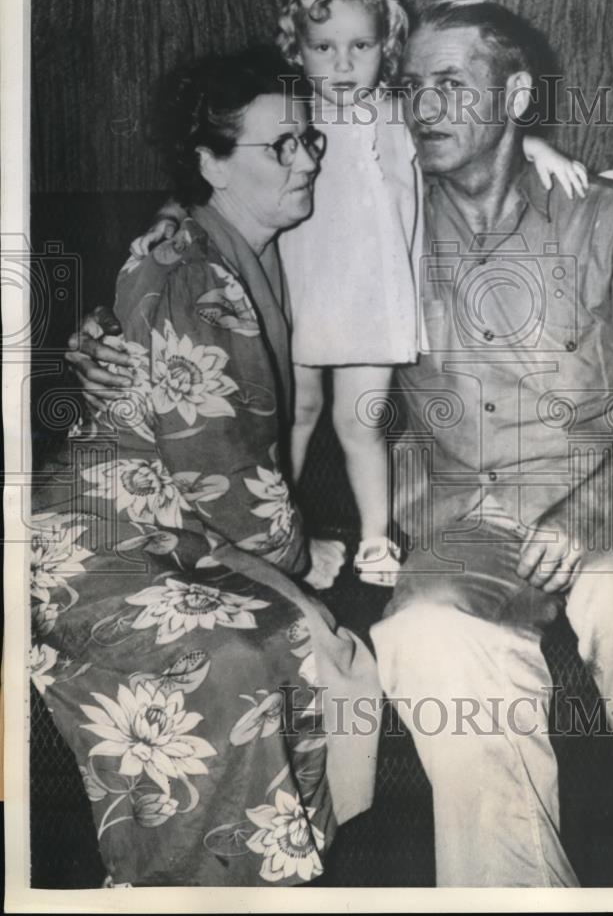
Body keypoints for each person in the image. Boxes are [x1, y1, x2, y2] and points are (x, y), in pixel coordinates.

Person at [365, 0, 613, 887]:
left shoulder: (605, 217)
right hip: (470, 515)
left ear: (514, 97)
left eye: (449, 85)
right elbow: (250, 177)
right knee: (426, 632)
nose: (422, 108)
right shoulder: (377, 229)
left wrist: (585, 509)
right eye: (410, 88)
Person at [30, 46, 380, 887]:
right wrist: (299, 569)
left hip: (179, 535)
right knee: (246, 651)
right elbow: (219, 473)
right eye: (280, 147)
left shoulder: (250, 244)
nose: (306, 162)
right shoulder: (191, 269)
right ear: (208, 162)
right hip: (100, 545)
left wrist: (301, 569)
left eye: (308, 140)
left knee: (294, 639)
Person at [128, 0, 588, 586]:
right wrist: (167, 212)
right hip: (301, 291)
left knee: (363, 418)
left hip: (374, 294)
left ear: (386, 45)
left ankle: (375, 538)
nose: (342, 65)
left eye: (360, 46)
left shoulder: (401, 112)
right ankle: (279, 533)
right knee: (294, 413)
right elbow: (211, 174)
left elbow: (477, 134)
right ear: (297, 47)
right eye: (323, 47)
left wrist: (534, 144)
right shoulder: (291, 111)